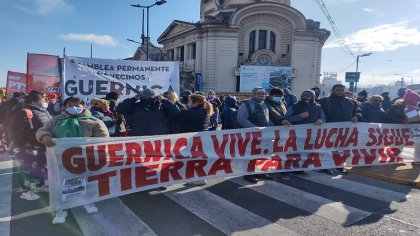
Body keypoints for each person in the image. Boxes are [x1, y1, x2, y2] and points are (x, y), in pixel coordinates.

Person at [36, 96, 109, 224]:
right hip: (60, 160)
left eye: (76, 105)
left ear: (83, 106)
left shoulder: (94, 121)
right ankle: (60, 210)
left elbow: (103, 139)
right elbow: (42, 131)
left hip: (85, 159)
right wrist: (45, 137)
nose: (73, 108)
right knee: (60, 184)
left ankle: (88, 203)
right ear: (64, 107)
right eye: (69, 105)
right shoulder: (56, 120)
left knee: (85, 181)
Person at [9, 91, 51, 201]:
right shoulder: (24, 112)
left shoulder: (44, 111)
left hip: (40, 146)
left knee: (39, 166)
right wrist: (24, 143)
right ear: (34, 101)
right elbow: (13, 131)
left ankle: (39, 185)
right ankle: (26, 191)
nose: (45, 101)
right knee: (26, 169)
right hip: (27, 147)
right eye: (43, 99)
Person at [319, 84, 362, 175]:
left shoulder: (350, 102)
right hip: (328, 131)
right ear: (333, 91)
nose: (340, 92)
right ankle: (323, 166)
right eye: (338, 90)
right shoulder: (324, 101)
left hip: (346, 131)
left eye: (342, 90)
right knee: (327, 149)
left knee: (343, 150)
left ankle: (339, 166)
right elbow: (316, 111)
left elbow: (358, 111)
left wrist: (356, 116)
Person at [236, 87, 273, 183]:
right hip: (251, 135)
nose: (261, 95)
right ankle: (249, 174)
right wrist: (254, 129)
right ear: (253, 94)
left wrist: (271, 128)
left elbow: (267, 119)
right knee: (250, 155)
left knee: (263, 153)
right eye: (259, 93)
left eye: (263, 94)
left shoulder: (264, 104)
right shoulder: (246, 105)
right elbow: (241, 119)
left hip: (263, 135)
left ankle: (260, 172)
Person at [175, 94, 213, 185]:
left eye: (190, 101)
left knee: (193, 159)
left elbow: (179, 117)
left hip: (194, 139)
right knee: (197, 159)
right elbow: (187, 112)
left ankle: (198, 179)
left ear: (194, 103)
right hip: (200, 139)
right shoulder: (203, 110)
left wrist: (173, 103)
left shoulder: (195, 112)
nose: (188, 103)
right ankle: (198, 178)